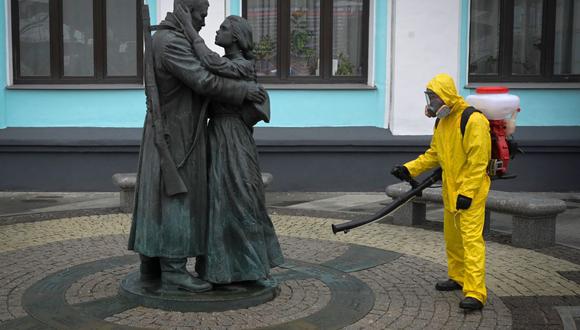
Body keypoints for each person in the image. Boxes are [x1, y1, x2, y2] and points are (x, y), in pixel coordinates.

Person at [128, 0, 267, 293]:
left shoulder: (166, 38)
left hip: (173, 130)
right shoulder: (171, 43)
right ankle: (173, 271)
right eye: (201, 15)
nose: (205, 21)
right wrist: (244, 91)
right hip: (176, 135)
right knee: (176, 200)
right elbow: (203, 80)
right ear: (186, 12)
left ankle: (151, 265)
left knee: (159, 198)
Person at [175, 8, 284, 284]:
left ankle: (253, 266)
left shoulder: (241, 66)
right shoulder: (226, 64)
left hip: (234, 136)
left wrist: (190, 33)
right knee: (219, 201)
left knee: (242, 196)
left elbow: (211, 64)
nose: (216, 30)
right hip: (217, 136)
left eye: (223, 28)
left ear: (236, 37)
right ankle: (220, 268)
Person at [391, 74, 491, 311]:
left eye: (433, 97)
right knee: (453, 238)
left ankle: (476, 292)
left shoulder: (473, 120)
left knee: (471, 241)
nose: (431, 103)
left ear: (445, 95)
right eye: (429, 97)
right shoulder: (442, 122)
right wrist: (408, 168)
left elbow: (478, 162)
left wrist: (467, 192)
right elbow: (434, 154)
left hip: (471, 192)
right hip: (450, 189)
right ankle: (458, 277)